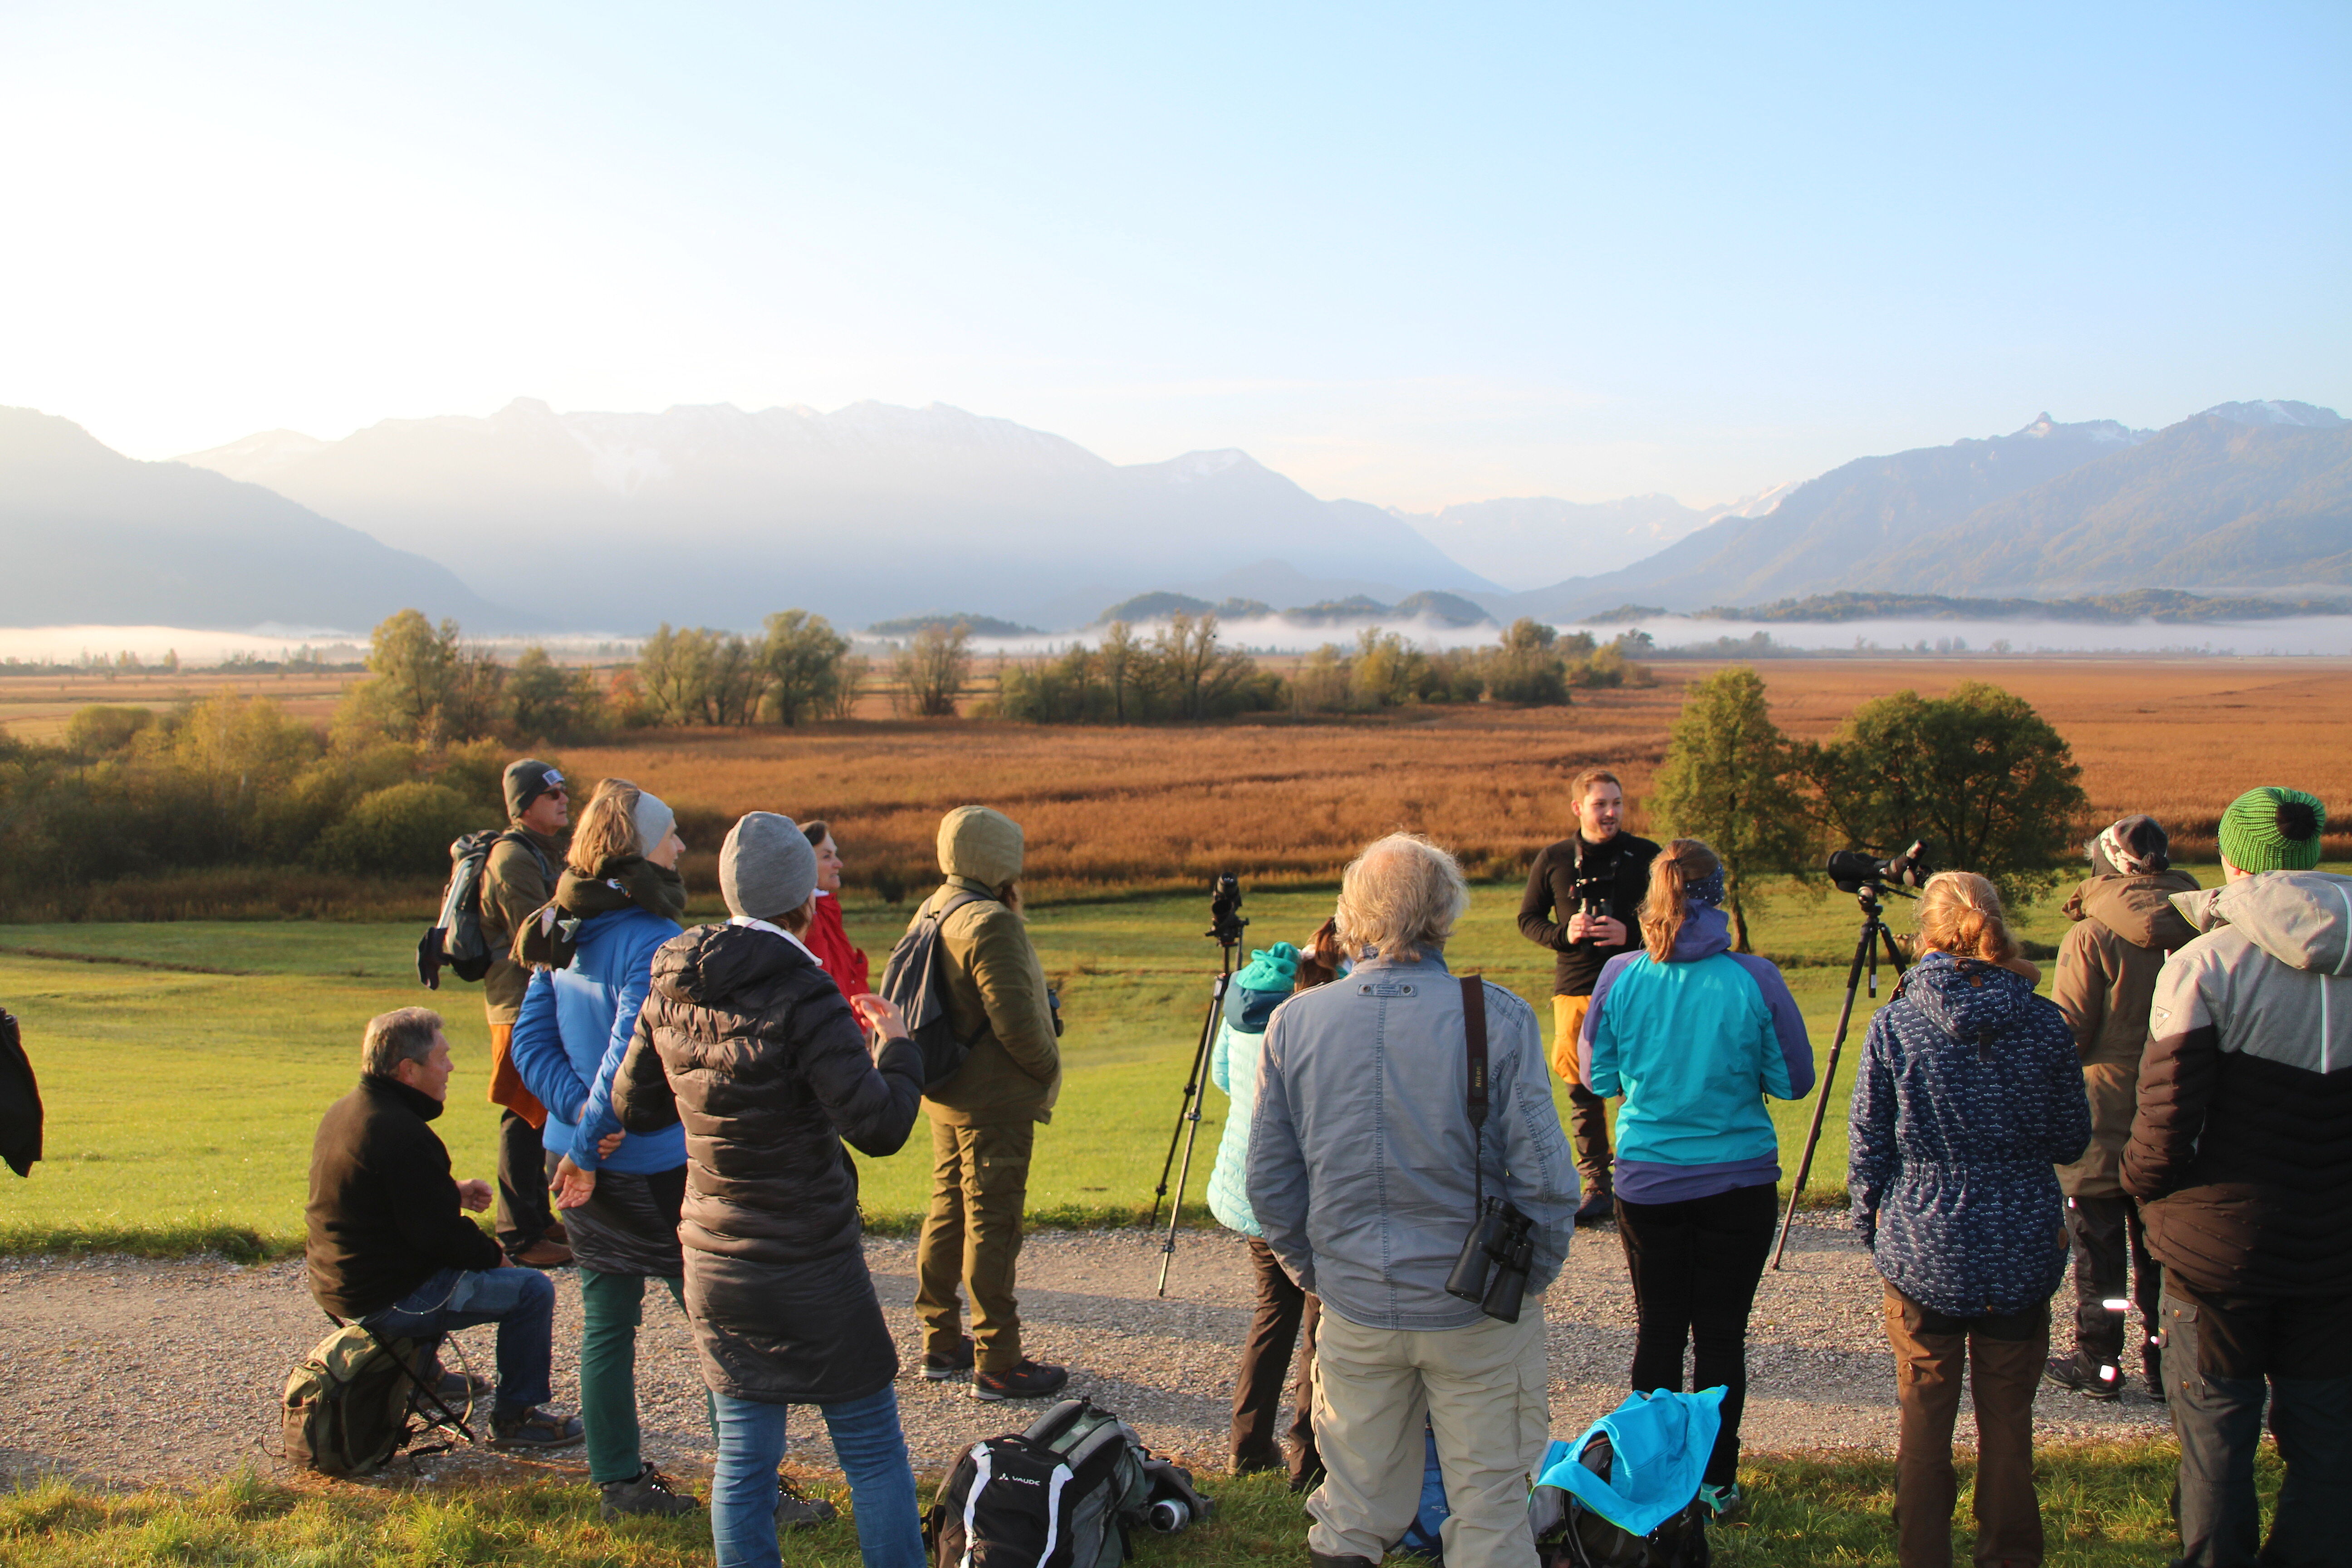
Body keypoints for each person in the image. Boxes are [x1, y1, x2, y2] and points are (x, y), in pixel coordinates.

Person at [1253, 834, 1580, 1568]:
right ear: (1446, 913)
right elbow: (1548, 1183)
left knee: (1351, 1509)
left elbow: (1270, 1185)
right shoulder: (1494, 1017)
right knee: (1491, 1511)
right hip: (1476, 1308)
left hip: (1356, 1307)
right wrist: (1523, 1282)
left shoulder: (1294, 1023)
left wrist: (1320, 1276)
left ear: (1350, 918)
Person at [615, 812, 927, 1568]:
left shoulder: (671, 978)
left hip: (715, 1256)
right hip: (809, 1259)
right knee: (871, 1450)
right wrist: (898, 1047)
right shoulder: (804, 992)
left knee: (745, 1455)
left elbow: (635, 1106)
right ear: (804, 897)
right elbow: (878, 1126)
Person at [2122, 786, 2351, 1568]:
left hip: (2217, 1248)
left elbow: (2164, 1121)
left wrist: (2140, 1190)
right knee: (2327, 1440)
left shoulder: (2202, 964)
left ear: (2232, 860)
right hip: (2334, 1249)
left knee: (2216, 1439)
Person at [1849, 873, 2091, 1568]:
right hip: (2019, 1234)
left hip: (1924, 1236)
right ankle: (2010, 1552)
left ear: (1927, 934)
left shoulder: (1898, 1022)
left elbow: (1869, 1141)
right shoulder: (2043, 1021)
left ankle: (1923, 1552)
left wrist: (1876, 1229)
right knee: (2010, 1421)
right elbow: (2072, 1137)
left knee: (1924, 1417)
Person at [1579, 838, 1813, 1521]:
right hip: (1737, 1178)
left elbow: (1598, 1076)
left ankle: (1650, 1479)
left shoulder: (1621, 974)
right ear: (1717, 895)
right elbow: (1793, 1080)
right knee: (1719, 1335)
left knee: (1657, 1331)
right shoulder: (1755, 977)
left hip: (1650, 1179)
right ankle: (1715, 1483)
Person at [507, 779, 700, 1519]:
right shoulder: (653, 939)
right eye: (670, 834)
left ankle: (618, 1481)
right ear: (635, 848)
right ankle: (753, 1487)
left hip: (576, 1156)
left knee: (606, 1319)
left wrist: (579, 1129)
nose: (679, 847)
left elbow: (533, 1047)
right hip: (648, 1163)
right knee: (715, 1317)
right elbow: (630, 1058)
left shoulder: (560, 927)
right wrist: (595, 1139)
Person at [304, 1006, 584, 1449]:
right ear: (408, 1071)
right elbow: (443, 1240)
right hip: (383, 1296)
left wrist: (450, 1191)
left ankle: (423, 1371)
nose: (451, 1066)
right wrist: (498, 1257)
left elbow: (385, 1194)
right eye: (443, 1057)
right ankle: (515, 1417)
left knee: (438, 1267)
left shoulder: (349, 1112)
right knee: (532, 1291)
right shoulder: (401, 1133)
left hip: (336, 1280)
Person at [910, 805, 1067, 1400]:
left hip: (945, 1093)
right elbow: (1018, 1025)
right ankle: (998, 1361)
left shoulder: (932, 907)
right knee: (994, 1225)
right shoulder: (992, 922)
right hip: (993, 1104)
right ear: (1002, 860)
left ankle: (940, 1341)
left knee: (947, 1212)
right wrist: (1048, 1066)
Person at [2046, 815, 2197, 1403]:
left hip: (2105, 1110)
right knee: (2162, 1251)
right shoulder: (2198, 925)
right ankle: (2167, 1364)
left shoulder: (2091, 936)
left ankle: (2100, 1362)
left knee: (2099, 1249)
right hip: (2179, 1101)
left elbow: (2072, 1035)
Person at [1205, 940, 1322, 1490]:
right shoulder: (1307, 1019)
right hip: (1303, 1197)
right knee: (1319, 1328)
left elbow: (1222, 1079)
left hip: (1249, 1190)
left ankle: (1247, 1448)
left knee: (1273, 1314)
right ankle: (1310, 1458)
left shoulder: (1241, 1005)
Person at [1519, 766, 1659, 1223]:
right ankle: (1597, 1185)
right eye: (1601, 805)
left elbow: (1672, 920)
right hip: (1576, 987)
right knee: (1581, 1089)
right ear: (1579, 808)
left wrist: (1632, 933)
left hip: (1637, 984)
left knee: (1636, 1086)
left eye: (1617, 803)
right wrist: (1566, 932)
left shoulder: (1647, 857)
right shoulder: (1555, 858)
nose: (1612, 813)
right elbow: (1527, 920)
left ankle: (1639, 1180)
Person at [480, 758, 573, 1269]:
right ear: (525, 806)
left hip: (536, 1000)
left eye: (563, 790)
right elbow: (540, 937)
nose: (563, 799)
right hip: (517, 1004)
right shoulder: (513, 859)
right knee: (522, 1112)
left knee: (536, 1112)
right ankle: (518, 1234)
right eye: (552, 793)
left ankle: (536, 1220)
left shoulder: (540, 852)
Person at [799, 819, 871, 1004]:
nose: (839, 864)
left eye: (835, 855)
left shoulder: (826, 911)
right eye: (826, 857)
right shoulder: (800, 922)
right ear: (801, 863)